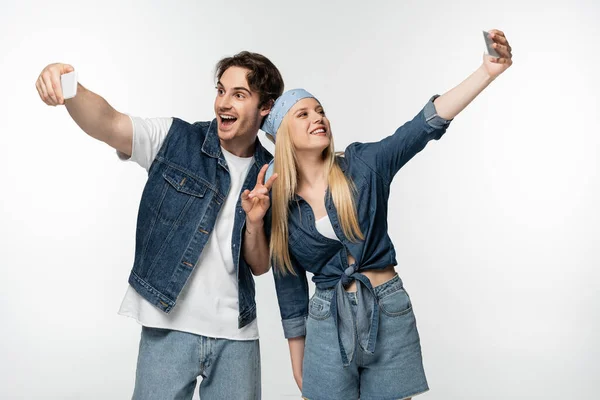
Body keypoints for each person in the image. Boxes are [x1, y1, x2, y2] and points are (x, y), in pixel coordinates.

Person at [259, 30, 513, 399]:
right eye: (304, 114)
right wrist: (297, 361)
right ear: (283, 134)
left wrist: (486, 72)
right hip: (326, 324)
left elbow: (421, 127)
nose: (319, 118)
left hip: (387, 311)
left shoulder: (363, 164)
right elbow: (290, 290)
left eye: (321, 111)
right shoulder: (278, 207)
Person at [35, 51, 283, 400]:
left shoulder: (271, 174)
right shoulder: (176, 140)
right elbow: (109, 123)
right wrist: (69, 88)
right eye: (221, 90)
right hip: (166, 327)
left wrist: (255, 222)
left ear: (265, 107)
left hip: (236, 336)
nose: (223, 103)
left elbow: (259, 266)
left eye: (239, 95)